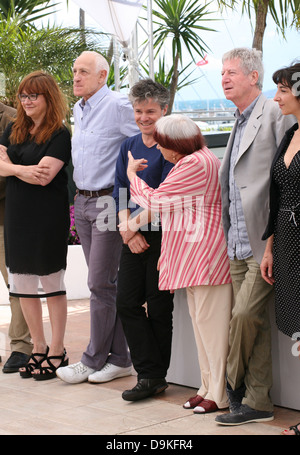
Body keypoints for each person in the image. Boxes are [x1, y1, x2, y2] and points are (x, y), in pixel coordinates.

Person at [122, 113, 233, 411]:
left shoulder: (196, 163)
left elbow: (157, 202)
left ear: (174, 144)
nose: (158, 149)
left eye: (161, 144)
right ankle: (208, 388)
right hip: (196, 257)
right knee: (203, 330)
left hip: (206, 257)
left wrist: (132, 177)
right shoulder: (196, 160)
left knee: (212, 332)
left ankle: (218, 394)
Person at [215, 47, 295, 426]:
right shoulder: (237, 119)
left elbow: (284, 176)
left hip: (267, 238)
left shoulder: (276, 114)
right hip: (236, 239)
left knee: (244, 314)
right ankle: (258, 402)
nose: (225, 78)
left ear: (253, 77)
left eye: (232, 72)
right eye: (222, 73)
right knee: (256, 322)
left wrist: (274, 240)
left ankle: (230, 382)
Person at [56, 51, 138, 384]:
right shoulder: (79, 108)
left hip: (108, 201)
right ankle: (119, 359)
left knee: (99, 284)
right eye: (74, 70)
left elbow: (147, 140)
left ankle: (91, 360)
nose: (76, 77)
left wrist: (131, 202)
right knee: (104, 285)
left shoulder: (118, 106)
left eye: (84, 72)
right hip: (84, 202)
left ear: (103, 76)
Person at [0, 71, 71, 380]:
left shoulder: (60, 133)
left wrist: (11, 168)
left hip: (46, 218)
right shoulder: (16, 128)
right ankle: (38, 347)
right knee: (24, 285)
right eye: (23, 96)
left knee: (52, 285)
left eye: (33, 96)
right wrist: (22, 170)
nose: (26, 101)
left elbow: (46, 175)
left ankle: (57, 350)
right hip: (16, 215)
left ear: (48, 98)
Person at [114, 79, 175, 401]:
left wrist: (131, 230)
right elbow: (118, 191)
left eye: (150, 111)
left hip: (164, 234)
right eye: (139, 111)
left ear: (164, 109)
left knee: (159, 306)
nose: (144, 117)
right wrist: (129, 230)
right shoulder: (127, 146)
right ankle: (150, 372)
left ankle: (154, 376)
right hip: (132, 232)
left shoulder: (171, 147)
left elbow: (165, 198)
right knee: (126, 302)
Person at [261, 62, 300, 436]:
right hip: (287, 242)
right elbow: (278, 196)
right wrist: (270, 247)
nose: (277, 98)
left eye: (283, 91)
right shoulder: (290, 135)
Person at [0, 102, 33, 372]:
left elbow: (14, 167)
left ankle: (21, 347)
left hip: (5, 218)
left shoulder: (12, 120)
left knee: (17, 286)